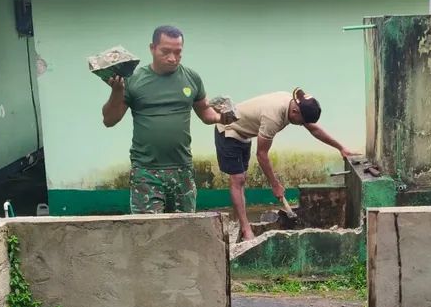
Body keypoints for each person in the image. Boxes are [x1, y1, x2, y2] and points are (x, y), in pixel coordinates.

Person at [102, 25, 224, 213]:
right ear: (152, 48)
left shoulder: (191, 78)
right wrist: (117, 92)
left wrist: (221, 117)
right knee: (148, 233)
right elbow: (110, 120)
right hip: (146, 171)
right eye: (165, 51)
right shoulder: (134, 79)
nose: (172, 58)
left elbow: (205, 113)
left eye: (178, 52)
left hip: (182, 169)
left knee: (184, 231)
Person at [214, 88, 355, 240]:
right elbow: (261, 155)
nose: (302, 125)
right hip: (229, 130)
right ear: (295, 111)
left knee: (242, 179)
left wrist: (341, 147)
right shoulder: (273, 117)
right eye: (301, 123)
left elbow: (314, 130)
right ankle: (246, 229)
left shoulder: (293, 103)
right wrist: (275, 184)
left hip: (245, 134)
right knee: (238, 179)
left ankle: (240, 222)